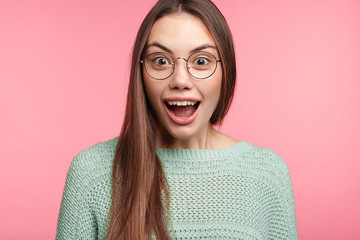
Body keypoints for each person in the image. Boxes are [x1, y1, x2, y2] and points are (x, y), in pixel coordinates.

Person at [56, 0, 298, 239]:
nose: (180, 80)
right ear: (140, 72)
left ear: (227, 70)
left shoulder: (268, 174)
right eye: (161, 61)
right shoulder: (91, 173)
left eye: (201, 61)